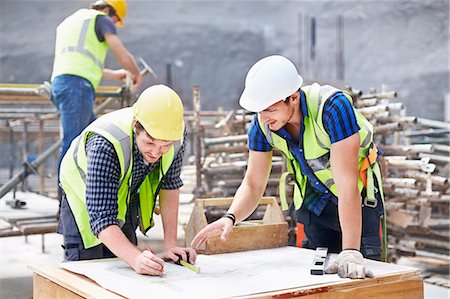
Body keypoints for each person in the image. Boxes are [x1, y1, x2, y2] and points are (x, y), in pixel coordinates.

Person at [191, 55, 386, 279]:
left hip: (357, 202)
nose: (263, 118)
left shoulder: (334, 108)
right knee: (317, 280)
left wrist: (351, 251)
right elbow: (253, 184)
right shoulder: (262, 125)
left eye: (270, 109)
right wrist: (230, 217)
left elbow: (347, 185)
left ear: (293, 97)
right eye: (259, 111)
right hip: (317, 204)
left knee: (361, 277)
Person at [57, 85, 196, 276]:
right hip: (82, 198)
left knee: (125, 270)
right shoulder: (104, 144)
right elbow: (101, 217)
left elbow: (169, 184)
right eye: (149, 143)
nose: (156, 153)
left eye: (165, 146)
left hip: (127, 192)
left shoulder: (175, 134)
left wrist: (170, 245)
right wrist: (135, 258)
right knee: (86, 274)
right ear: (135, 126)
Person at [50, 0, 142, 178]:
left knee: (92, 137)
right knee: (73, 143)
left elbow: (79, 64)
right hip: (76, 88)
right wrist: (135, 72)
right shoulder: (101, 19)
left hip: (63, 84)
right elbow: (121, 53)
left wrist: (115, 75)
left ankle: (87, 189)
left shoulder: (72, 21)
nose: (114, 24)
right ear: (108, 10)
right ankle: (65, 200)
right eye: (115, 20)